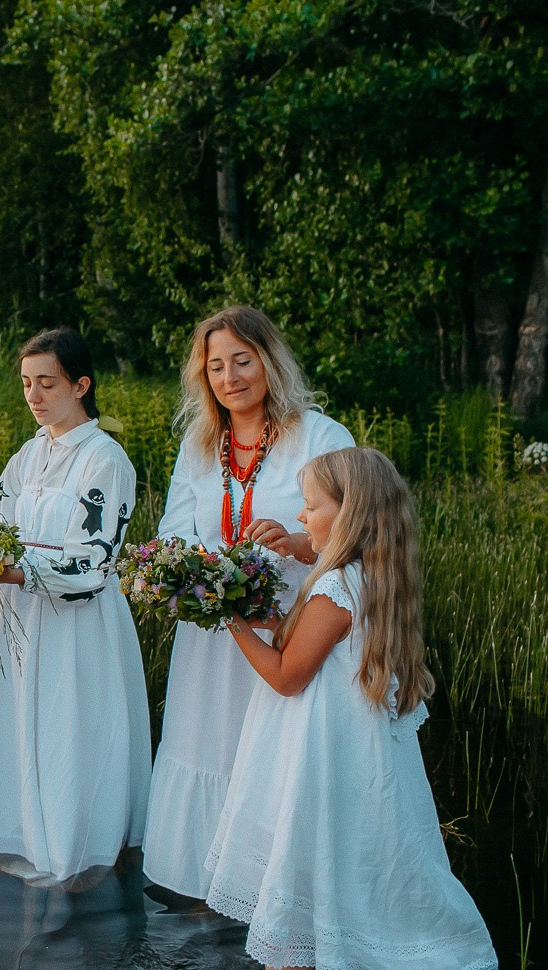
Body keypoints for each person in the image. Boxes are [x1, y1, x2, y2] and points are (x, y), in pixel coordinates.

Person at [207, 447, 499, 970]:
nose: (301, 516)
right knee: (341, 873)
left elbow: (287, 676)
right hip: (349, 760)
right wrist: (266, 615)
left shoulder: (335, 587)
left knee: (290, 924)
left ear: (349, 515)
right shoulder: (368, 580)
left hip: (316, 764)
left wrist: (227, 614)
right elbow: (309, 642)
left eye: (311, 505)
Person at [142, 305, 353, 899]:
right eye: (216, 367)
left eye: (242, 360)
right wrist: (202, 576)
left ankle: (273, 893)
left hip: (291, 631)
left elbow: (355, 535)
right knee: (208, 747)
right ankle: (200, 889)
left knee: (278, 758)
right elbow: (174, 532)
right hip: (212, 637)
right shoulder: (199, 444)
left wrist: (295, 544)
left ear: (269, 361)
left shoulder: (321, 437)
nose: (230, 377)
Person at [0, 327, 151, 882]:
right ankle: (20, 833)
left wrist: (12, 571)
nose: (34, 396)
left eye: (47, 383)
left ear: (81, 385)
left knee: (70, 730)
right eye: (26, 383)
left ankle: (74, 850)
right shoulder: (29, 454)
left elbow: (93, 563)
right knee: (20, 727)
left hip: (77, 623)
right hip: (19, 618)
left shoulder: (104, 459)